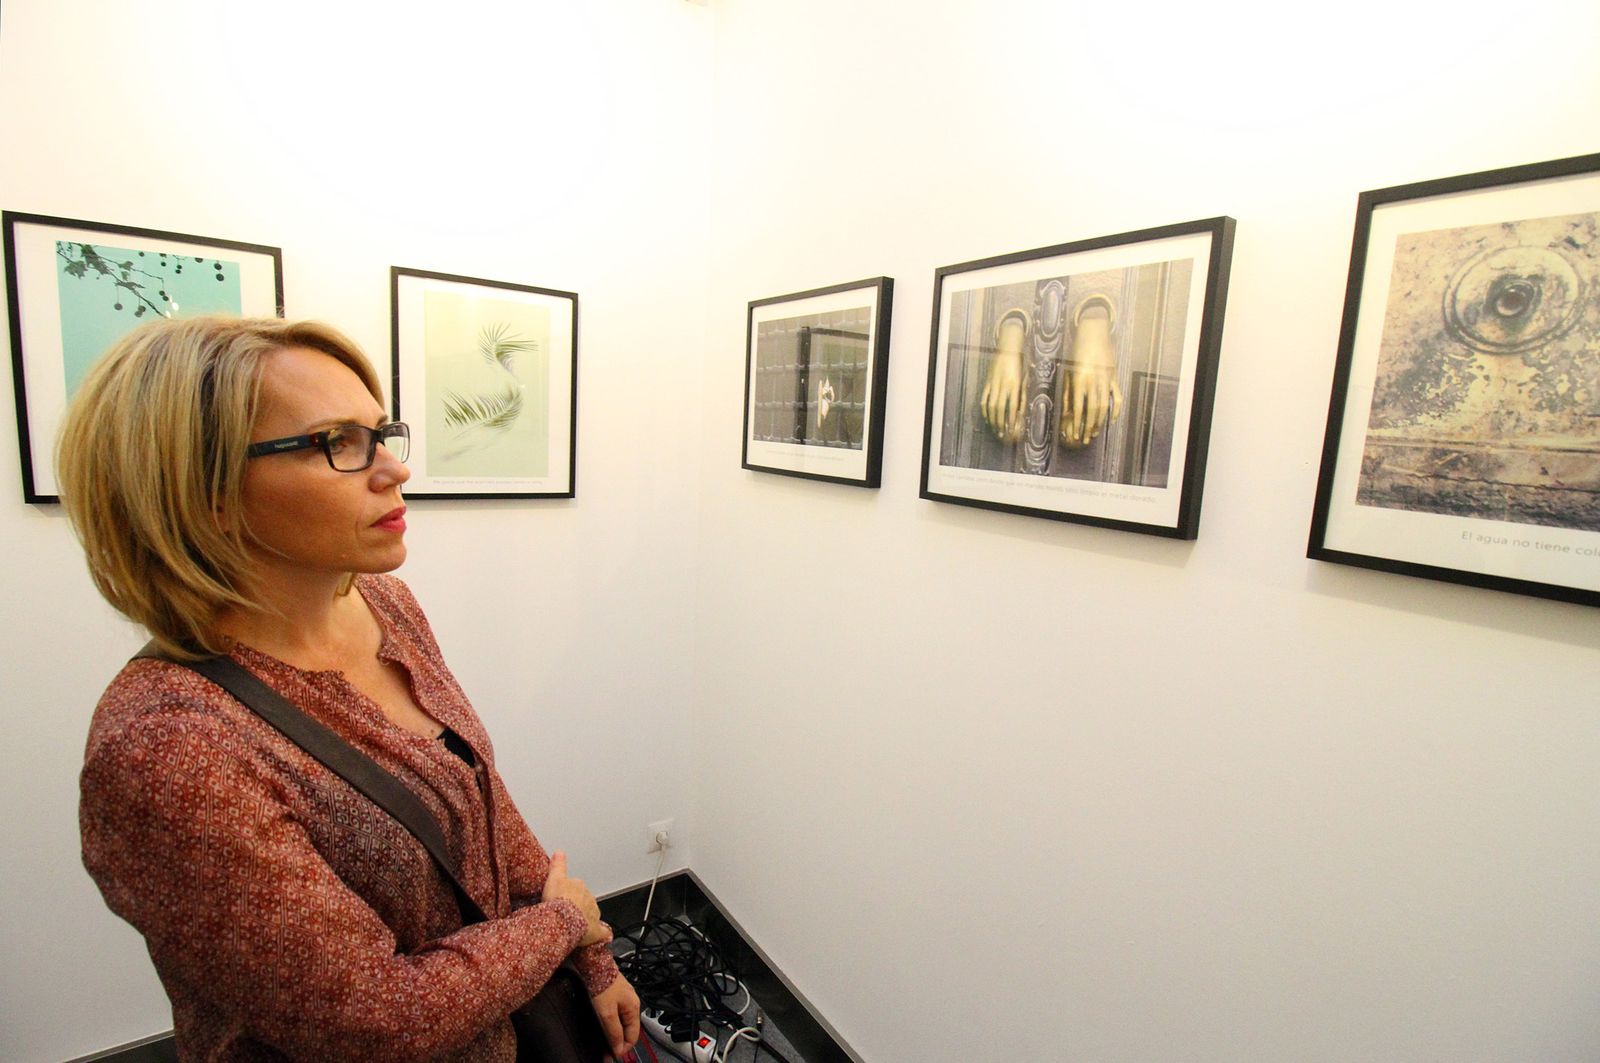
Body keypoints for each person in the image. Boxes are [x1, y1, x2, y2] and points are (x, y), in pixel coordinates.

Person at [58, 315, 640, 1061]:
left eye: (380, 432)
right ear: (204, 491)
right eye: (335, 442)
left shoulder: (377, 602)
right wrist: (560, 924)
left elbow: (480, 801)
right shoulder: (169, 745)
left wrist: (591, 960)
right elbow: (375, 1020)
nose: (393, 469)